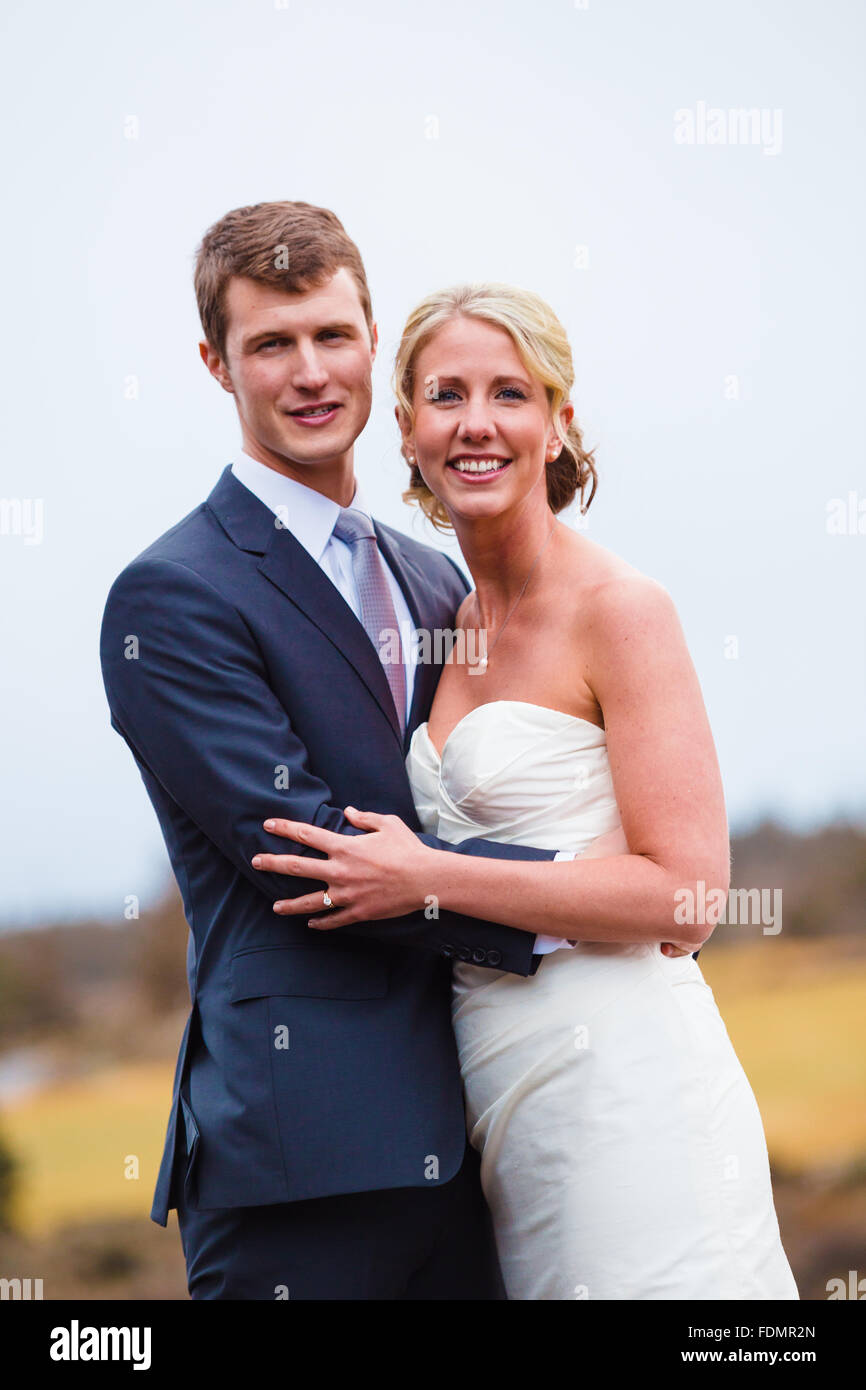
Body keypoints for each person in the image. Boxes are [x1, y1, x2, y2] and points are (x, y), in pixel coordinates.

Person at [99, 202, 606, 1300]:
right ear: (215, 364)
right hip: (304, 1159)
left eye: (332, 335)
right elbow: (307, 851)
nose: (309, 371)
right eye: (271, 344)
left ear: (373, 341)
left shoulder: (435, 582)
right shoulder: (173, 595)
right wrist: (597, 907)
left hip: (484, 1129)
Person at [256, 281, 800, 1300]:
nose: (475, 423)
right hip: (498, 1097)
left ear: (556, 424)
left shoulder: (622, 610)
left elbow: (686, 893)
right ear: (407, 429)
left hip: (630, 1085)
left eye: (509, 393)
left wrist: (430, 875)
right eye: (445, 395)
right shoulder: (443, 619)